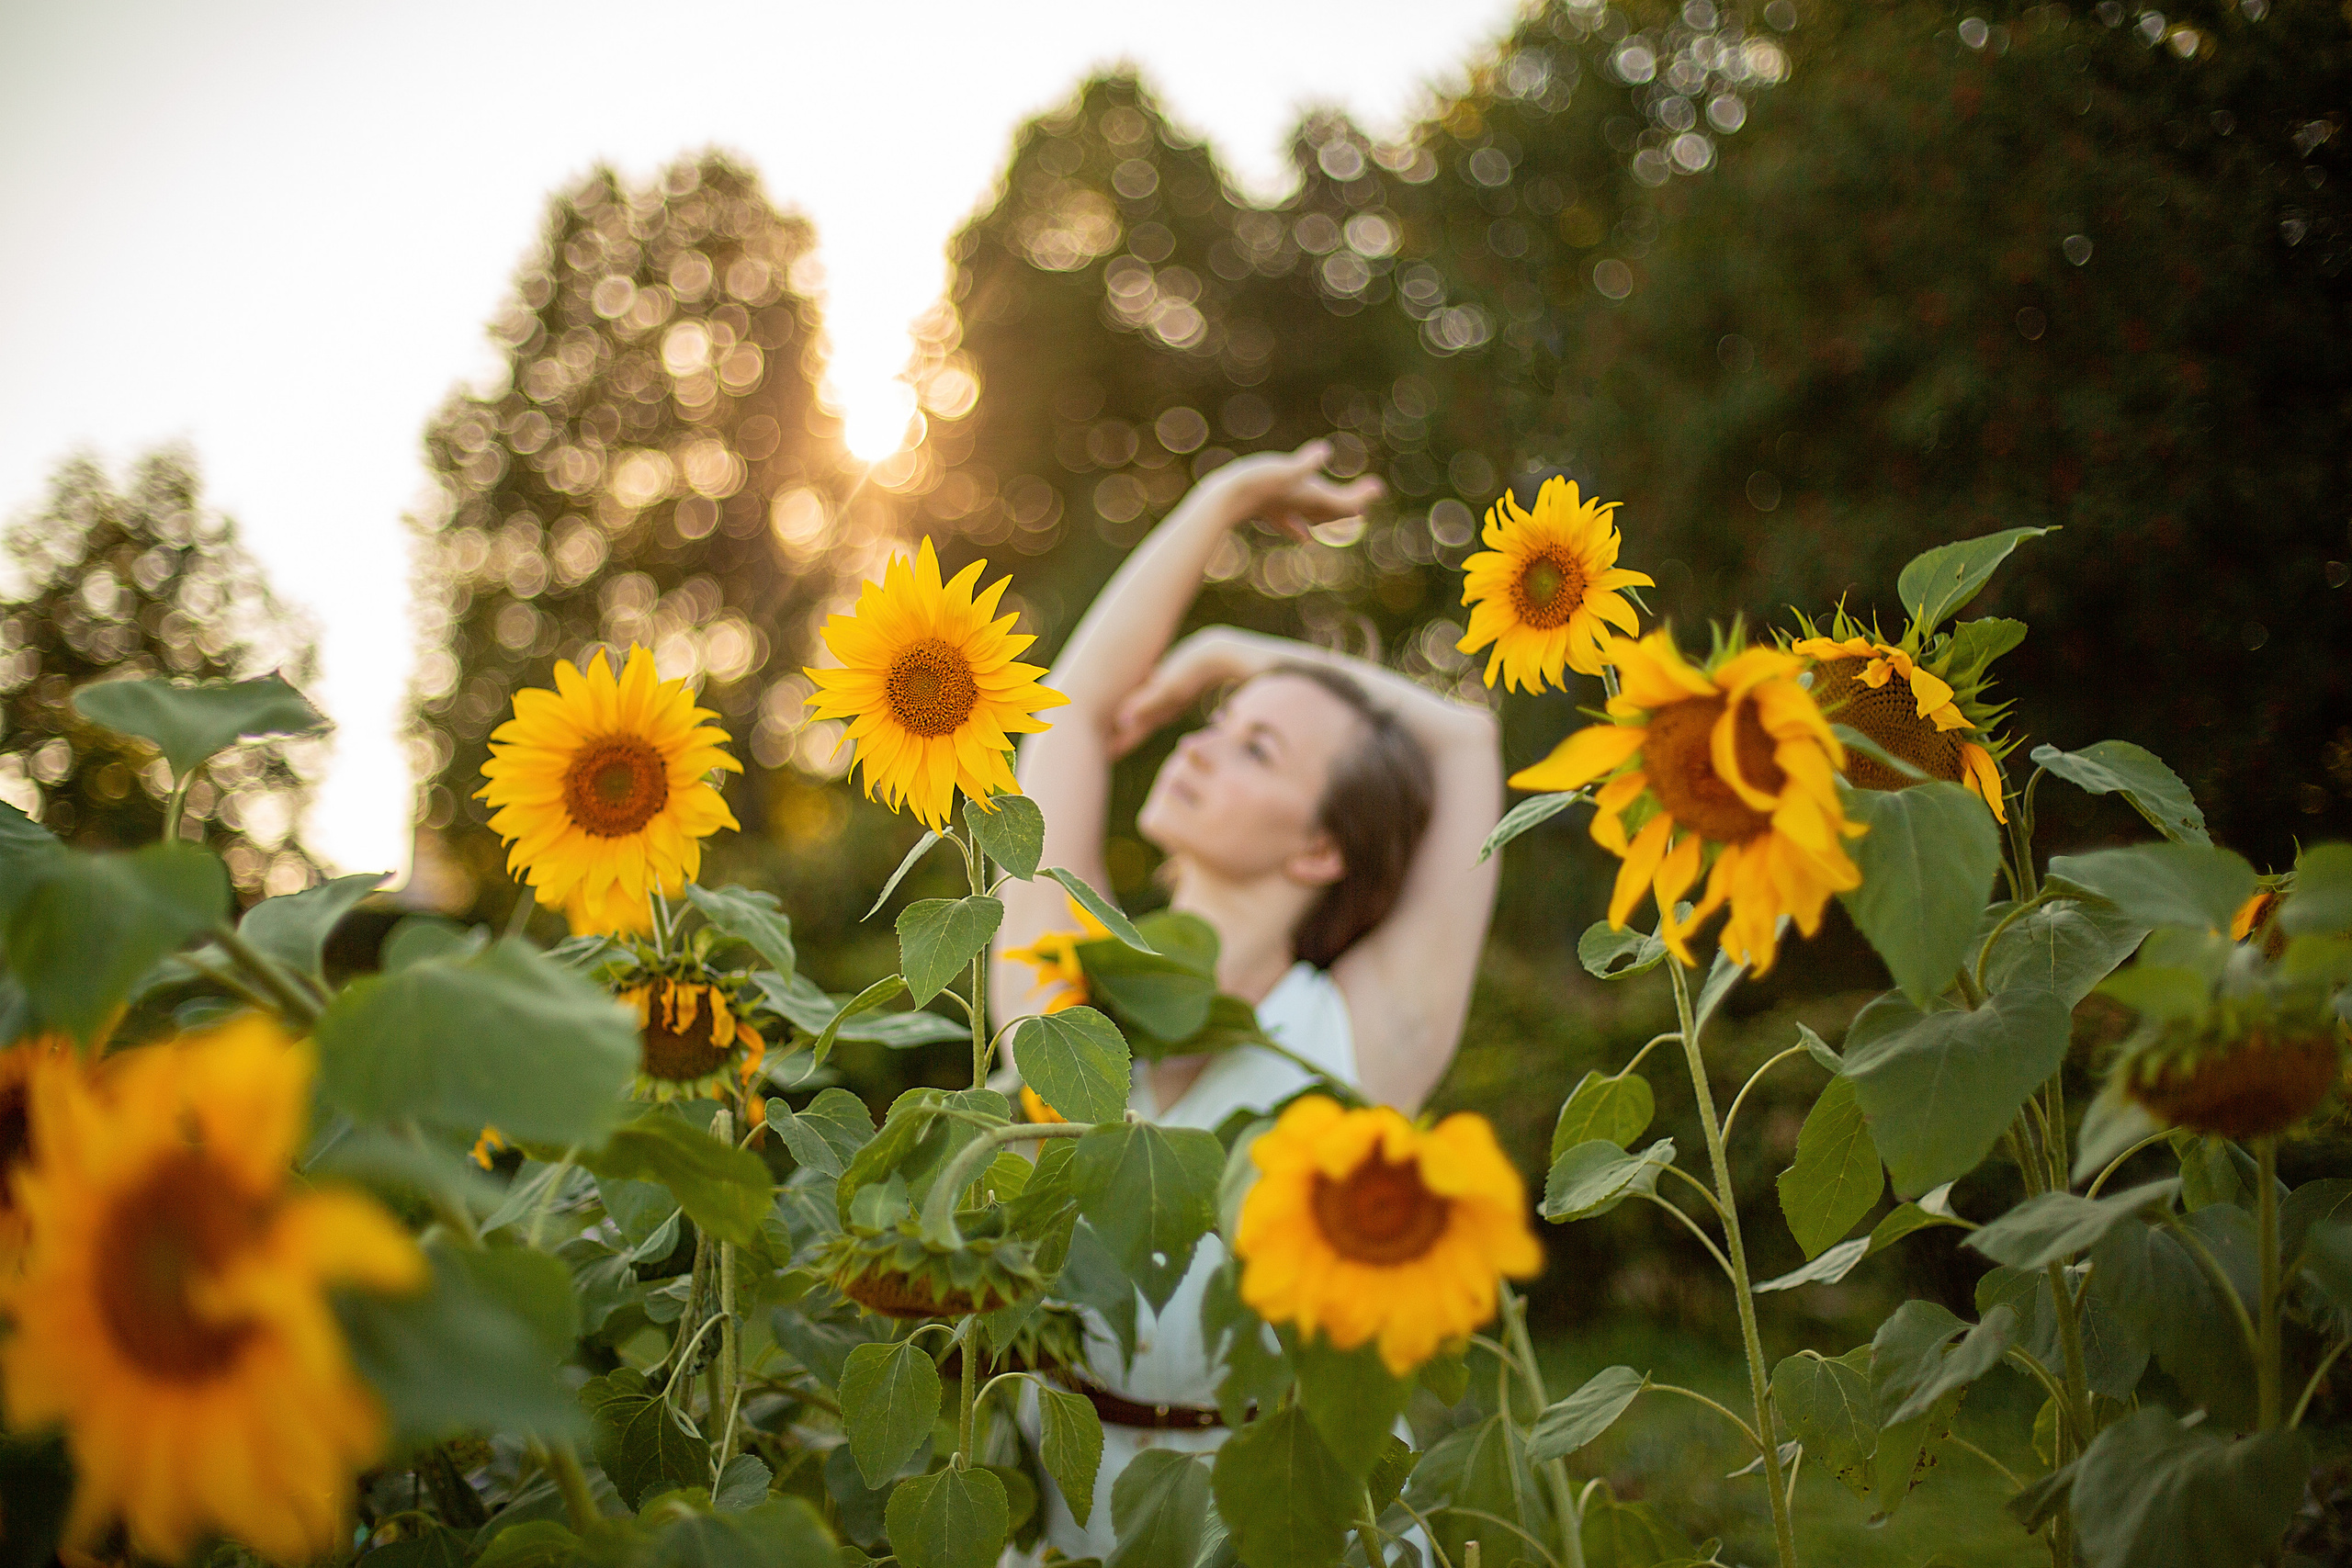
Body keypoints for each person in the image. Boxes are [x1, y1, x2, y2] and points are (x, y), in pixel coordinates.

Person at [991, 438, 1505, 1556]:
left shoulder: (1363, 1029)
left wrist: (1234, 652)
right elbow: (1067, 714)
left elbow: (1465, 741)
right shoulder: (1063, 981)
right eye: (1213, 725)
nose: (1202, 747)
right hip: (1071, 1532)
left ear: (1323, 848)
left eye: (1255, 747)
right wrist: (1218, 502)